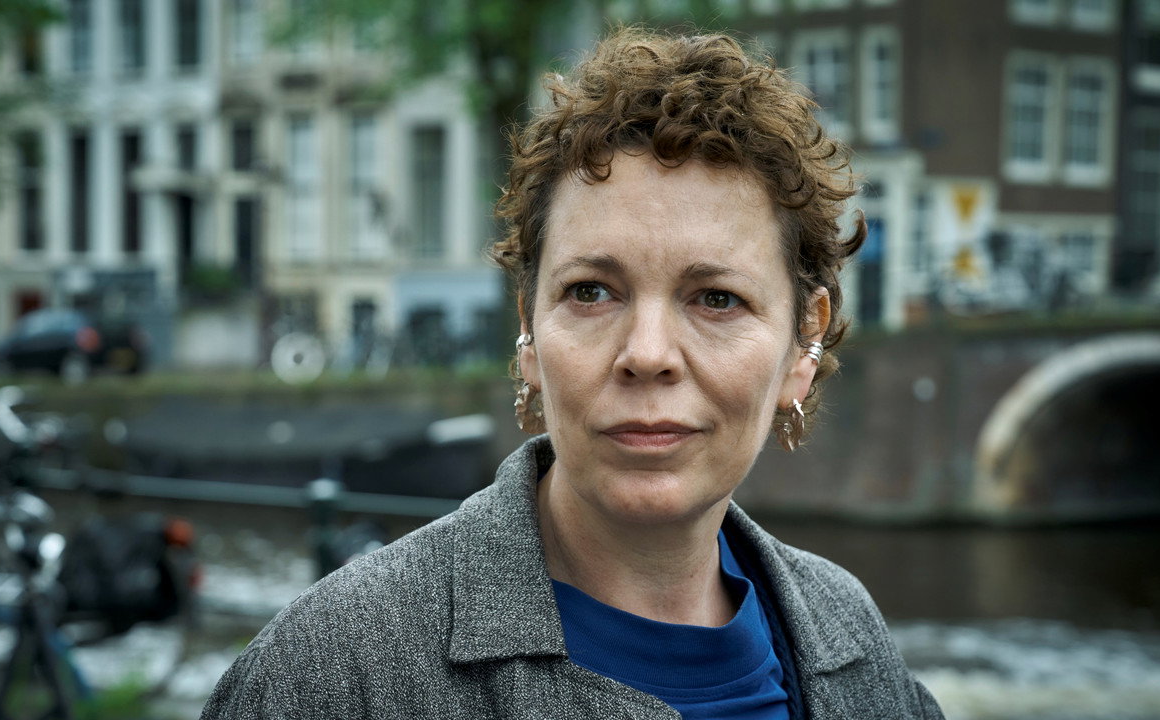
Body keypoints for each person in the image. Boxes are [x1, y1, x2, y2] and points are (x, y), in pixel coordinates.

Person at [202, 28, 945, 720]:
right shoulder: (332, 673)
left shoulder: (855, 645)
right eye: (592, 292)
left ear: (801, 345)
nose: (647, 353)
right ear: (528, 329)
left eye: (716, 298)